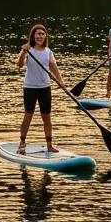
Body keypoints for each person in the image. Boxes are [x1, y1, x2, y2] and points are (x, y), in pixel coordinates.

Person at [17, 24, 70, 154]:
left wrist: (62, 83)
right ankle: (22, 143)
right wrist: (23, 54)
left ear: (45, 36)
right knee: (28, 115)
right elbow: (19, 65)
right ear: (33, 36)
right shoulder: (27, 49)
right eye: (38, 34)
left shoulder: (48, 52)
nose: (40, 36)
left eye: (42, 34)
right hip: (30, 87)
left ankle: (49, 145)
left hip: (45, 87)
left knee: (46, 117)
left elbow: (54, 69)